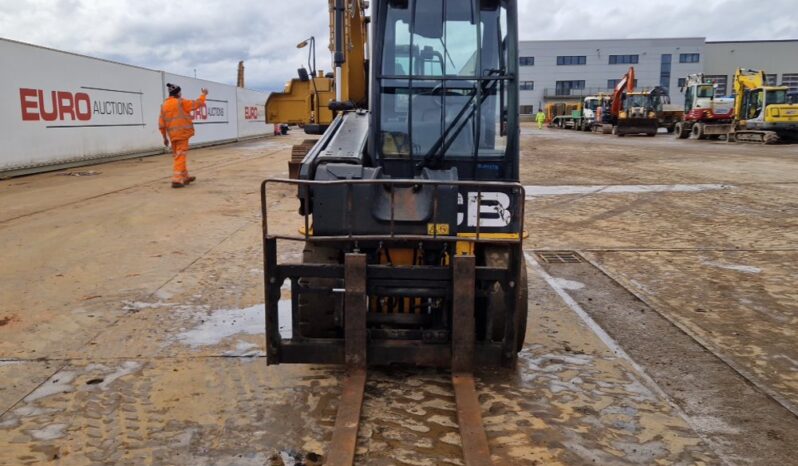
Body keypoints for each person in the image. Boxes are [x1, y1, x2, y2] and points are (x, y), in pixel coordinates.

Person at [159, 83, 208, 188]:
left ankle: (185, 176)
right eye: (180, 92)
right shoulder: (181, 102)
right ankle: (176, 179)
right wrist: (204, 94)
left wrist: (164, 137)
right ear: (178, 93)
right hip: (182, 134)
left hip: (172, 136)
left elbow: (161, 124)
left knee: (179, 155)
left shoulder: (164, 105)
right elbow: (197, 104)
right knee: (180, 156)